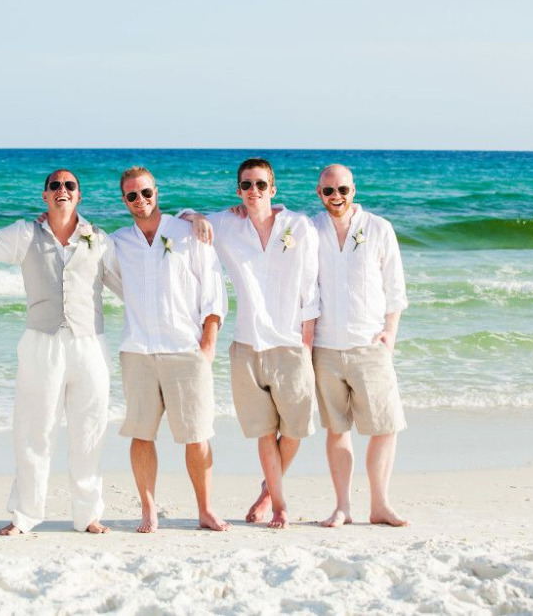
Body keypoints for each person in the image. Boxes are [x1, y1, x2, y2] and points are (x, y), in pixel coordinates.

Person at [0, 169, 121, 535]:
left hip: (90, 344)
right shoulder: (25, 233)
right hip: (42, 343)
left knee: (90, 430)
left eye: (69, 186)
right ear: (45, 195)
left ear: (79, 195)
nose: (62, 191)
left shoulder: (98, 238)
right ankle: (25, 514)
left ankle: (88, 515)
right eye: (55, 186)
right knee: (34, 430)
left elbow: (126, 286)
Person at [182, 158, 320, 529]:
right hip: (246, 344)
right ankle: (278, 505)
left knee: (294, 430)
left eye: (261, 185)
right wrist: (195, 215)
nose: (253, 192)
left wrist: (307, 348)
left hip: (291, 345)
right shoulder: (227, 224)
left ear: (273, 190)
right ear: (238, 191)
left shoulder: (299, 227)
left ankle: (265, 491)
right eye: (246, 186)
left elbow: (311, 290)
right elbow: (181, 217)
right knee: (262, 432)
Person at [110, 166, 229, 533]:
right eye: (132, 195)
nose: (140, 200)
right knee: (141, 434)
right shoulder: (117, 242)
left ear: (156, 192)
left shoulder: (188, 232)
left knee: (197, 434)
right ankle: (149, 510)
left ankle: (206, 510)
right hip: (138, 351)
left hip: (185, 349)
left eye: (146, 193)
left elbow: (212, 290)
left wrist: (207, 345)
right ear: (124, 200)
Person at [312, 164, 410, 527]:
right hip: (324, 346)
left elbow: (395, 288)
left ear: (354, 190)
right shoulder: (310, 229)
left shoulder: (379, 228)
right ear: (318, 193)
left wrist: (390, 333)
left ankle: (380, 504)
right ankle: (342, 506)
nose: (336, 197)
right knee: (337, 429)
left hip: (369, 345)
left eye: (342, 190)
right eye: (328, 191)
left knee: (385, 426)